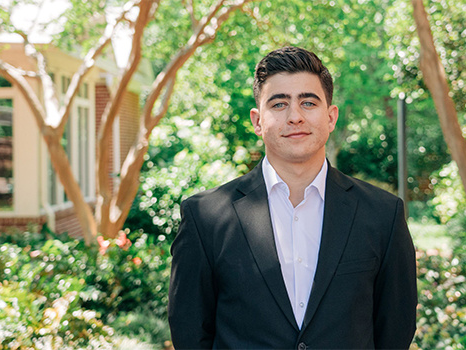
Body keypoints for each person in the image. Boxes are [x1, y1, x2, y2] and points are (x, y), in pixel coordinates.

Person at [168, 46, 417, 349]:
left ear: (331, 116)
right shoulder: (205, 216)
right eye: (279, 104)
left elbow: (395, 329)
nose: (295, 116)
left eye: (308, 102)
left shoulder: (383, 214)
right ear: (258, 121)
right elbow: (190, 332)